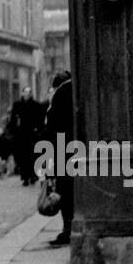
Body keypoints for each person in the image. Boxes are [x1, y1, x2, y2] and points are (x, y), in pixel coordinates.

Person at [44, 71, 75, 248]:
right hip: (73, 149)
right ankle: (69, 228)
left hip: (61, 151)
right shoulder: (73, 91)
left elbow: (52, 130)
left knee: (64, 190)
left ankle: (68, 229)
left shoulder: (60, 95)